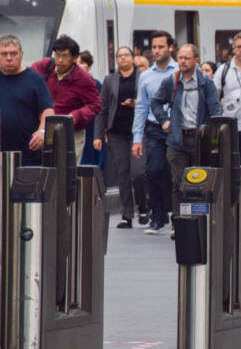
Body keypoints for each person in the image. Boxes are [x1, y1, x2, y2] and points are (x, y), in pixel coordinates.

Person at [0, 34, 54, 265]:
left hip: (27, 152)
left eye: (13, 54)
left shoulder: (35, 80)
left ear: (21, 54)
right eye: (4, 55)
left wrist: (42, 131)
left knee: (25, 199)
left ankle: (26, 243)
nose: (9, 59)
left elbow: (47, 110)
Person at [151, 44, 222, 230]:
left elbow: (216, 110)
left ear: (196, 60)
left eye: (186, 58)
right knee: (178, 181)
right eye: (180, 58)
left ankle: (200, 221)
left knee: (199, 182)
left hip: (200, 140)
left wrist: (211, 136)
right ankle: (179, 222)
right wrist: (164, 121)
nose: (182, 61)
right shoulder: (172, 81)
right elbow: (155, 102)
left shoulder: (206, 83)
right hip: (177, 139)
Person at [94, 47, 147, 229]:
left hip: (138, 132)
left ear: (133, 58)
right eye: (119, 56)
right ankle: (127, 214)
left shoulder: (143, 77)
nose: (122, 58)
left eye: (126, 55)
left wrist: (136, 104)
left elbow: (149, 101)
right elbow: (103, 109)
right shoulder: (110, 80)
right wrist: (99, 134)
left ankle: (143, 206)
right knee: (122, 174)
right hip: (117, 132)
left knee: (138, 172)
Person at [132, 30, 178, 235]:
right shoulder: (146, 76)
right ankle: (157, 217)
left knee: (177, 173)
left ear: (171, 47)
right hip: (154, 129)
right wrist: (137, 138)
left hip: (178, 127)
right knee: (153, 170)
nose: (156, 51)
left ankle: (178, 215)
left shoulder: (179, 70)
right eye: (154, 47)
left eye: (161, 47)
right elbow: (141, 107)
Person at [31, 35, 102, 164]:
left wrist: (75, 116)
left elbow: (95, 104)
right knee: (44, 172)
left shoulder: (84, 78)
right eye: (57, 55)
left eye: (65, 56)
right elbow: (28, 81)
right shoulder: (44, 66)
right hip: (43, 129)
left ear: (75, 58)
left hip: (71, 132)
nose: (60, 60)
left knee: (66, 174)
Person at [77, 50, 104, 166]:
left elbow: (101, 107)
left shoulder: (96, 84)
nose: (79, 65)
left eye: (82, 62)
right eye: (76, 62)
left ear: (89, 66)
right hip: (77, 123)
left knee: (93, 156)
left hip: (92, 125)